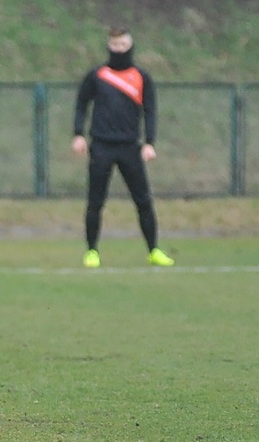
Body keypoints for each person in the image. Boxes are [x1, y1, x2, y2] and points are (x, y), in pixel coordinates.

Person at [72, 26, 175, 269]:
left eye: (123, 45)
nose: (119, 49)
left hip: (130, 147)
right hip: (101, 146)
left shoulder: (141, 77)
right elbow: (81, 104)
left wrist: (150, 142)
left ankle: (153, 250)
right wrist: (78, 134)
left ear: (130, 45)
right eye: (115, 45)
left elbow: (150, 110)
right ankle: (92, 251)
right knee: (96, 201)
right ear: (109, 46)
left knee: (143, 201)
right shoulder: (97, 75)